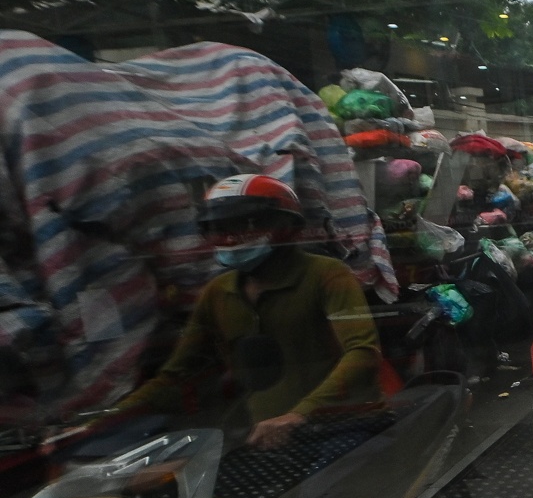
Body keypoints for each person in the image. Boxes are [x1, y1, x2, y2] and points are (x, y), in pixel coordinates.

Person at [115, 173, 383, 448]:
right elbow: (177, 375)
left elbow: (362, 352)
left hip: (339, 428)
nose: (232, 237)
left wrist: (298, 415)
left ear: (287, 226)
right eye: (221, 227)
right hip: (264, 438)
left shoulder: (328, 275)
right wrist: (106, 419)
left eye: (247, 224)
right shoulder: (218, 292)